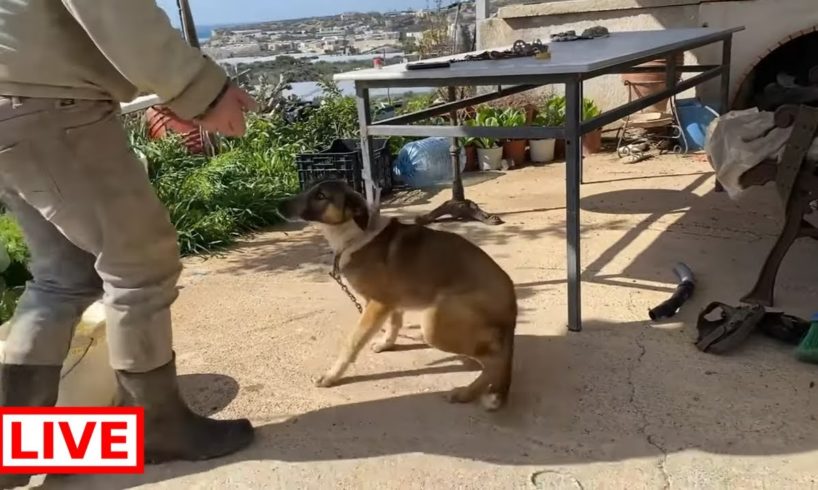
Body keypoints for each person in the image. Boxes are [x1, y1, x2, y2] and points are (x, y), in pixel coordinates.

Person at [0, 1, 258, 484]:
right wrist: (203, 91)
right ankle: (157, 429)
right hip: (53, 108)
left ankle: (19, 451)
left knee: (63, 277)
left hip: (18, 107)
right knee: (140, 263)